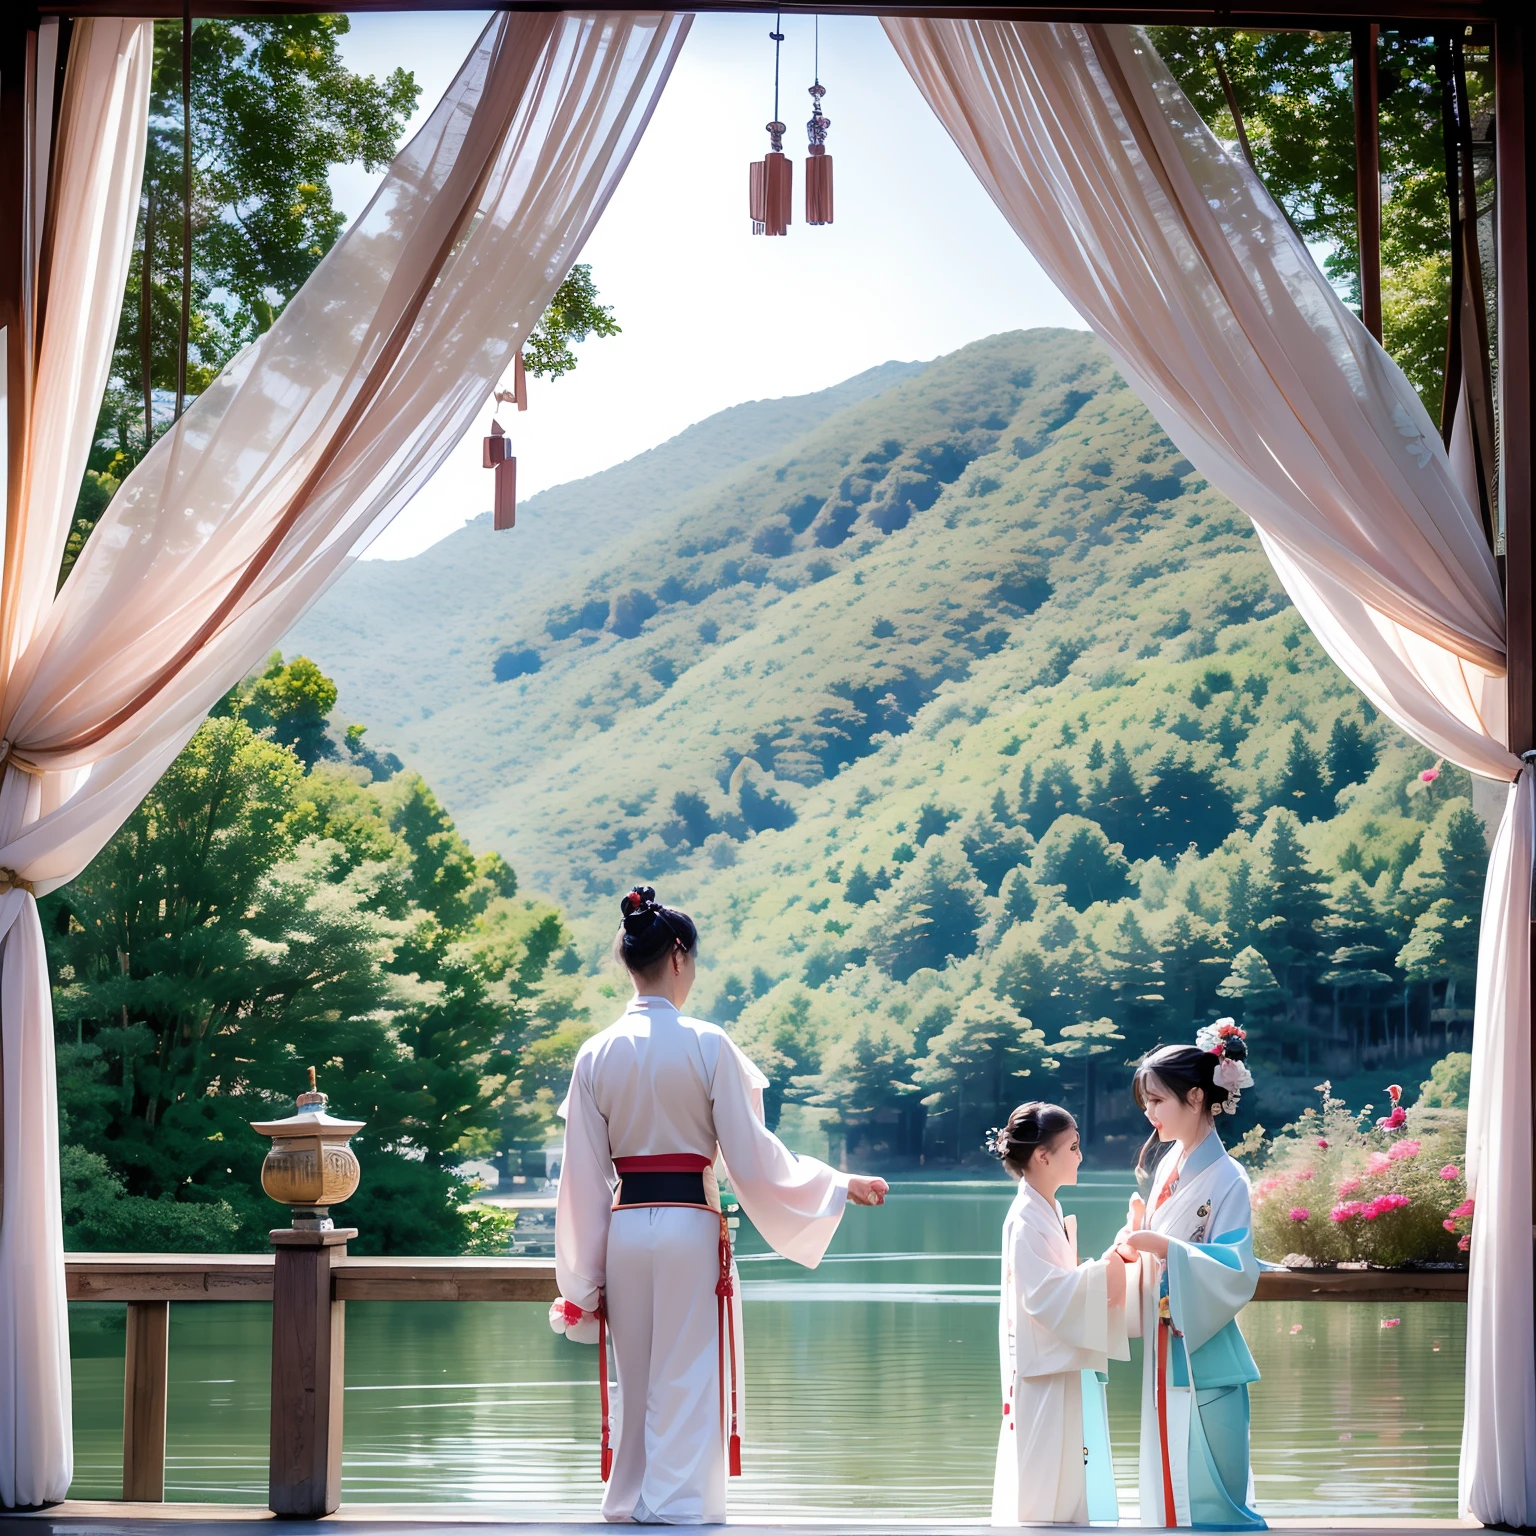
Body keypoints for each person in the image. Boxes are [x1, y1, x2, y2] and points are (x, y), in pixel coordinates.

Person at [552, 885, 890, 1524]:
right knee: (687, 1373)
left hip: (625, 1228)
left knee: (639, 1377)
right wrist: (836, 1182)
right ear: (678, 956)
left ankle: (627, 1503)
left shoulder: (594, 1052)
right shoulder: (707, 1044)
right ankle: (677, 1509)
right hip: (689, 1227)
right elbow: (752, 1156)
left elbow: (582, 1179)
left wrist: (582, 1279)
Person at [1117, 1023, 1266, 1531]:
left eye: (1157, 1101)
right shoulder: (1168, 1167)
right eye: (1146, 1103)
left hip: (1204, 1348)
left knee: (1212, 1494)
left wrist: (1163, 1246)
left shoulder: (1229, 1178)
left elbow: (1235, 1267)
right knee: (1169, 1479)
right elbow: (1158, 1250)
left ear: (1197, 1095)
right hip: (1168, 1345)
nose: (1149, 1113)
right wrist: (1140, 1232)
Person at [989, 1101, 1130, 1526]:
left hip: (1055, 1361)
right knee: (1045, 1484)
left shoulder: (1042, 1208)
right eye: (1072, 1147)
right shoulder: (1026, 1218)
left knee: (1066, 1477)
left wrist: (1102, 1267)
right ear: (1042, 1156)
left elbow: (1057, 1287)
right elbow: (1046, 1295)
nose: (1080, 1156)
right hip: (1042, 1369)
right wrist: (1107, 1267)